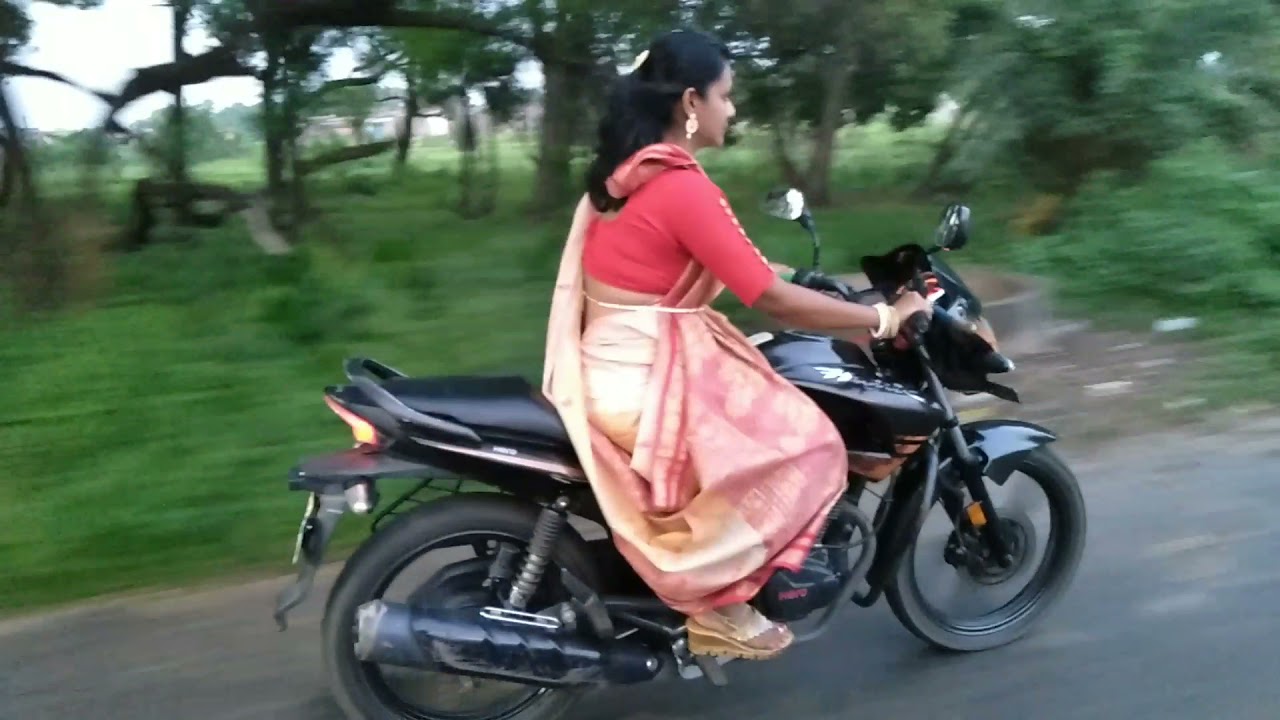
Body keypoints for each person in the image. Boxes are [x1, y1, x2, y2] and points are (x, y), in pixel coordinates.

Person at [541, 29, 932, 660]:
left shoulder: (628, 177)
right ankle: (717, 602)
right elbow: (769, 300)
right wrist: (882, 319)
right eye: (727, 96)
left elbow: (685, 263)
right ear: (691, 103)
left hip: (617, 364)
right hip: (642, 381)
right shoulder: (682, 186)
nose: (734, 109)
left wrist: (784, 273)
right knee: (808, 446)